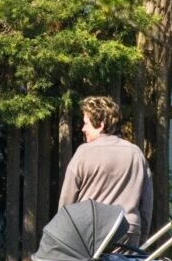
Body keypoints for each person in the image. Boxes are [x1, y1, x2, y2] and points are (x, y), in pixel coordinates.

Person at [58, 95, 153, 243]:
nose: (83, 129)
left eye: (86, 123)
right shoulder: (136, 153)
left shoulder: (83, 153)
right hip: (128, 231)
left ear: (101, 125)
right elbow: (146, 203)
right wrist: (141, 237)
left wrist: (62, 235)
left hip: (90, 233)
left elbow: (67, 200)